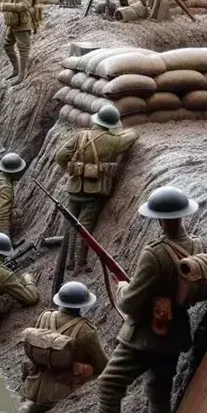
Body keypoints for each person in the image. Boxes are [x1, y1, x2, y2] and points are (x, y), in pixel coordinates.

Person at [61, 187, 206, 413]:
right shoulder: (197, 245)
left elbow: (128, 304)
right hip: (175, 333)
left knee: (110, 383)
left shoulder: (154, 255)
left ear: (161, 221)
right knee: (159, 386)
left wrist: (122, 288)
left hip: (144, 337)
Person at [52, 105, 139, 284]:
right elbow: (132, 136)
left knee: (70, 225)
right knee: (84, 228)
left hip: (74, 188)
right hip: (94, 192)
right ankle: (80, 264)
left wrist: (74, 171)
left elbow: (61, 156)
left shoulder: (80, 135)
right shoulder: (113, 141)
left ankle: (68, 262)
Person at [17, 280, 107, 413]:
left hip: (32, 386)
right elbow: (102, 366)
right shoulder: (86, 330)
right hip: (60, 394)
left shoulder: (44, 316)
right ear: (82, 305)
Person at [0, 0, 35, 83]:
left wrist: (5, 6)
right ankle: (15, 69)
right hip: (13, 23)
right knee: (7, 45)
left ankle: (21, 75)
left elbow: (25, 5)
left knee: (23, 50)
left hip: (22, 24)